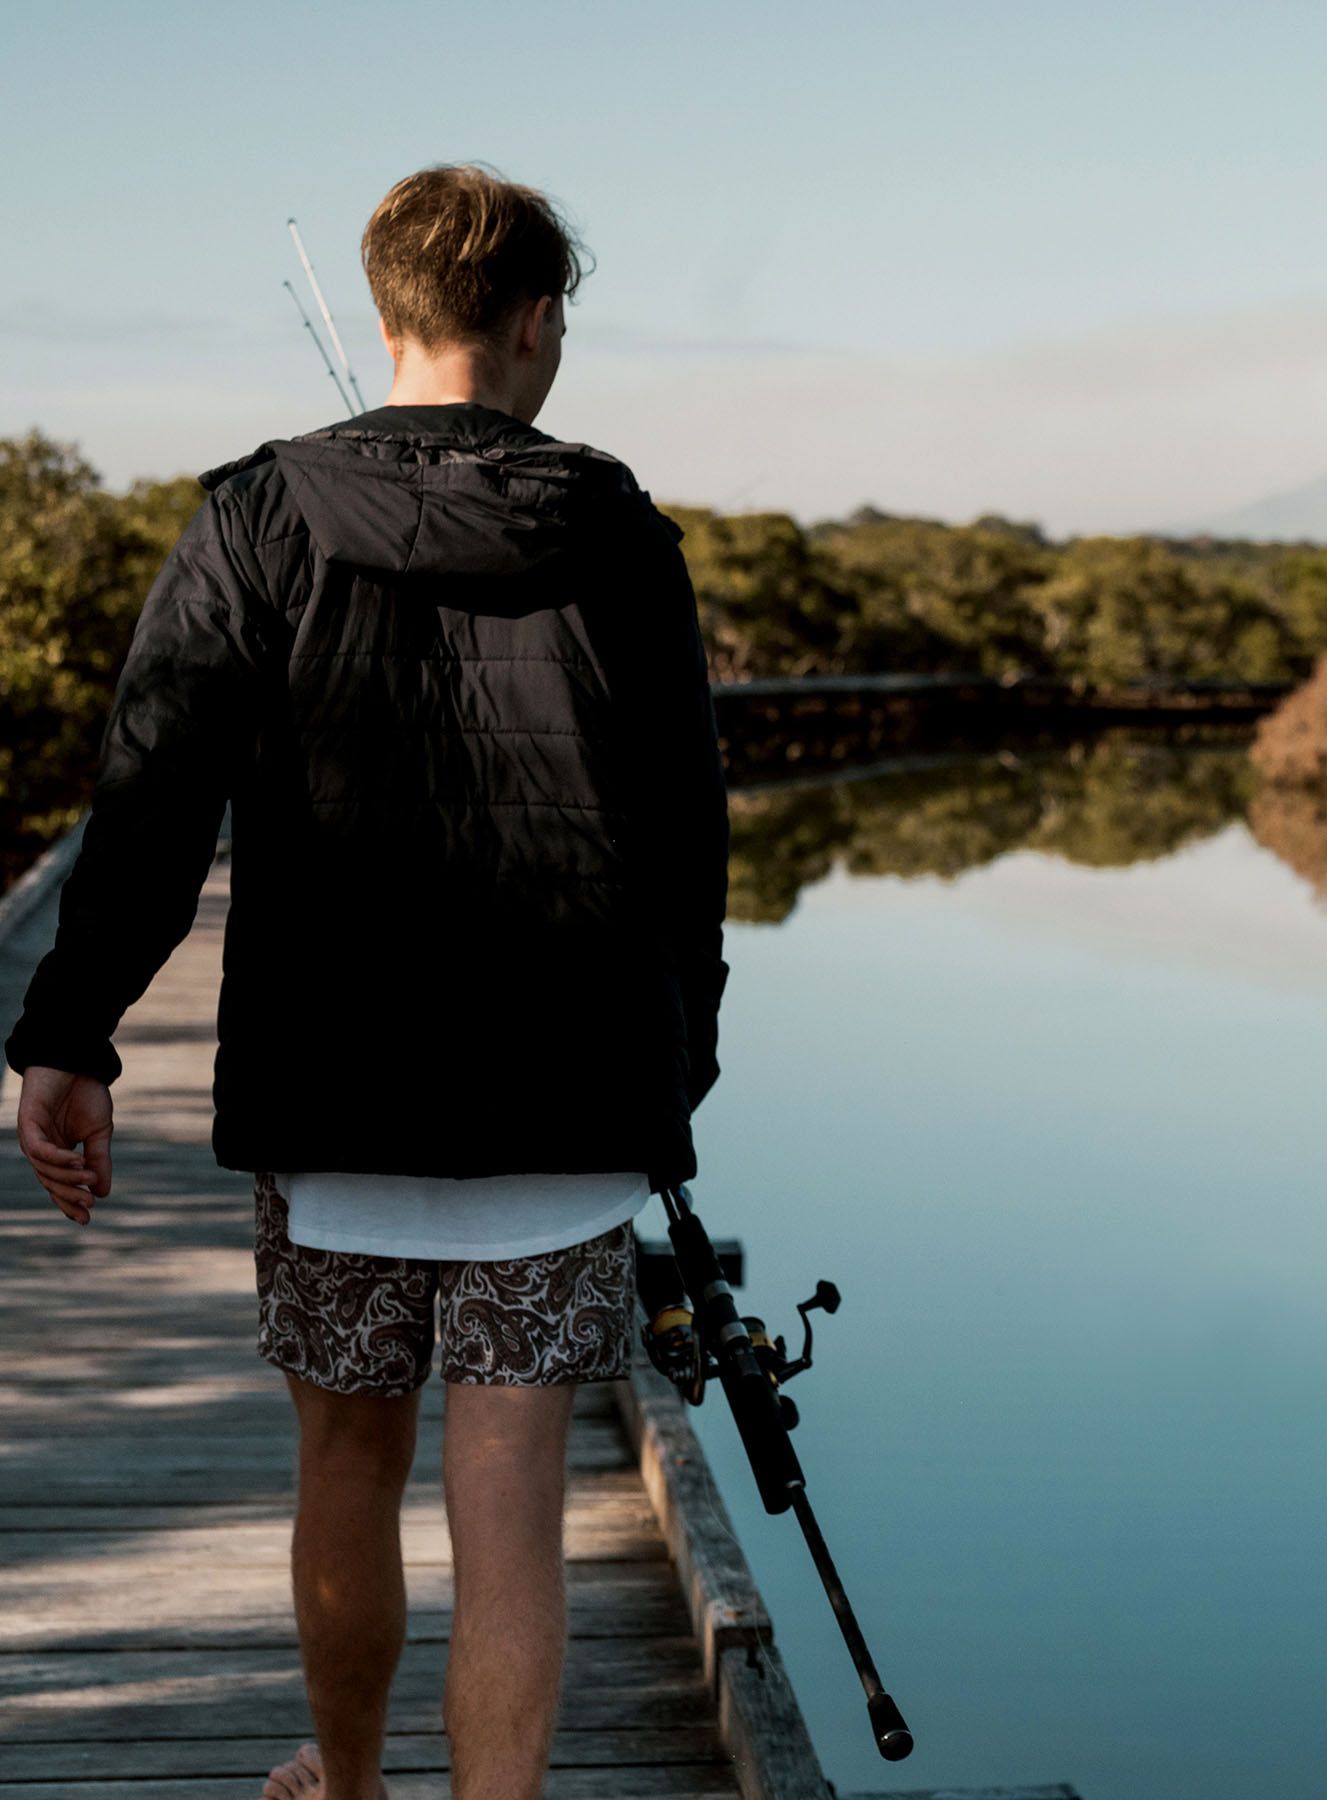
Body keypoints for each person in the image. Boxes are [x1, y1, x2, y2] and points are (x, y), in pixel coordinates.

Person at [4, 163, 731, 1800]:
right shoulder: (618, 526)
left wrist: (71, 1033)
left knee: (343, 1464)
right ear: (538, 322)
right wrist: (673, 1067)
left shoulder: (255, 512)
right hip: (563, 1101)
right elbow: (691, 832)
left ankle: (347, 1785)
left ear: (393, 309)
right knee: (515, 1512)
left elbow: (153, 797)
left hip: (334, 1093)